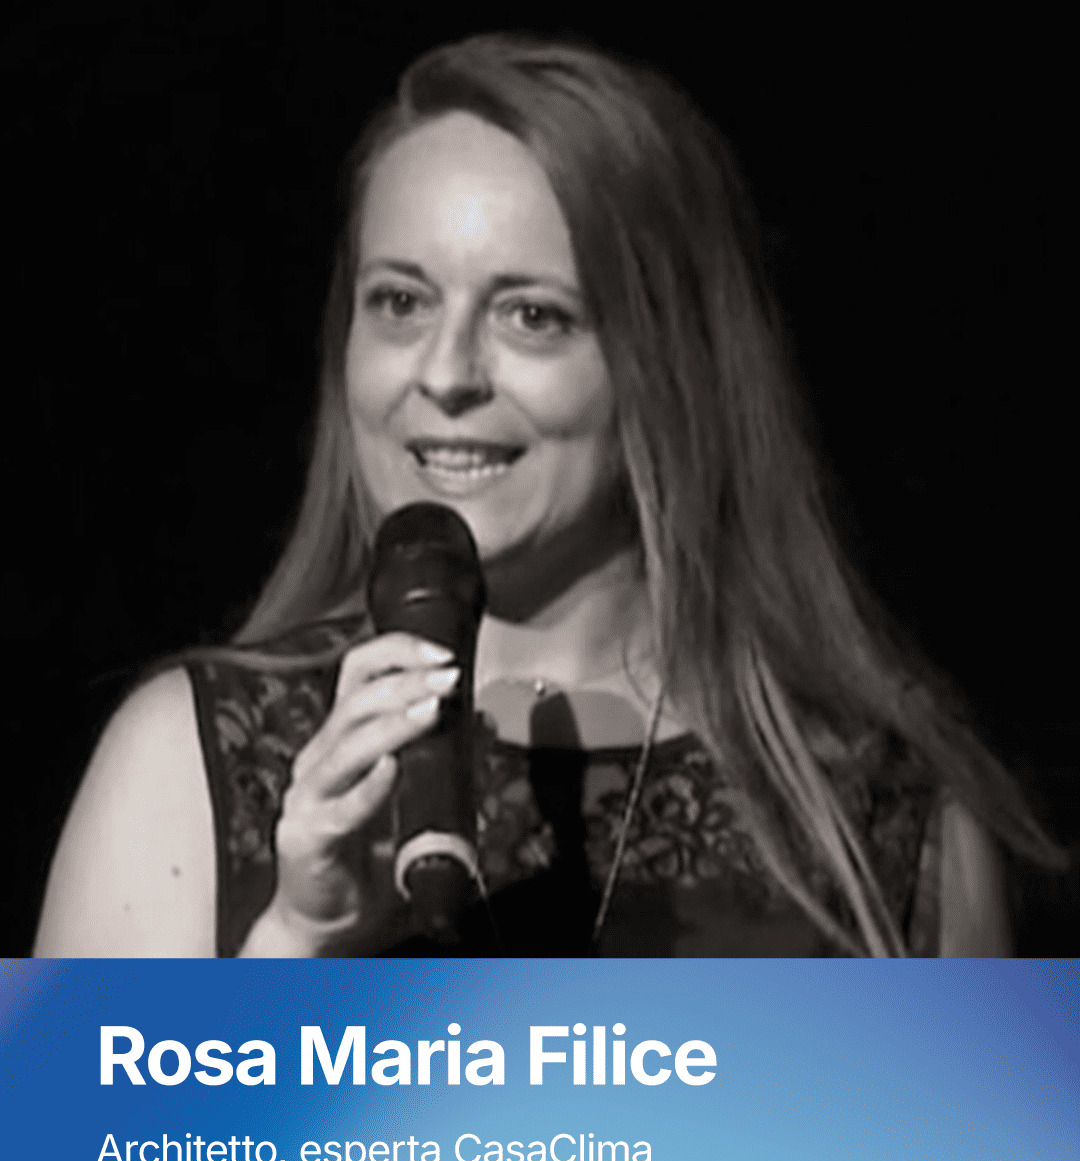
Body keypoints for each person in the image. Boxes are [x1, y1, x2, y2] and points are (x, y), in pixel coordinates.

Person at [34, 32, 1068, 959]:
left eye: (531, 316)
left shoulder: (881, 811)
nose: (446, 374)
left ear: (668, 364)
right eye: (400, 302)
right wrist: (294, 946)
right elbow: (95, 1126)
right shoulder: (191, 759)